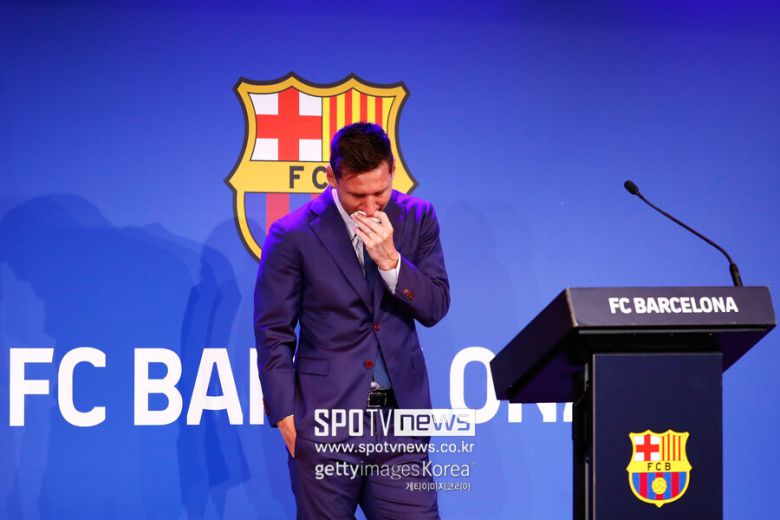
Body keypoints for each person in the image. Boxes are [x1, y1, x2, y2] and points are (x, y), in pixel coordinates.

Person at [254, 122, 450, 519]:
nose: (371, 207)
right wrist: (286, 416)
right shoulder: (292, 234)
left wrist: (392, 262)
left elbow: (435, 307)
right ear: (332, 177)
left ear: (393, 171)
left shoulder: (418, 218)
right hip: (324, 424)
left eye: (381, 192)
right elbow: (273, 331)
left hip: (399, 425)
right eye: (357, 195)